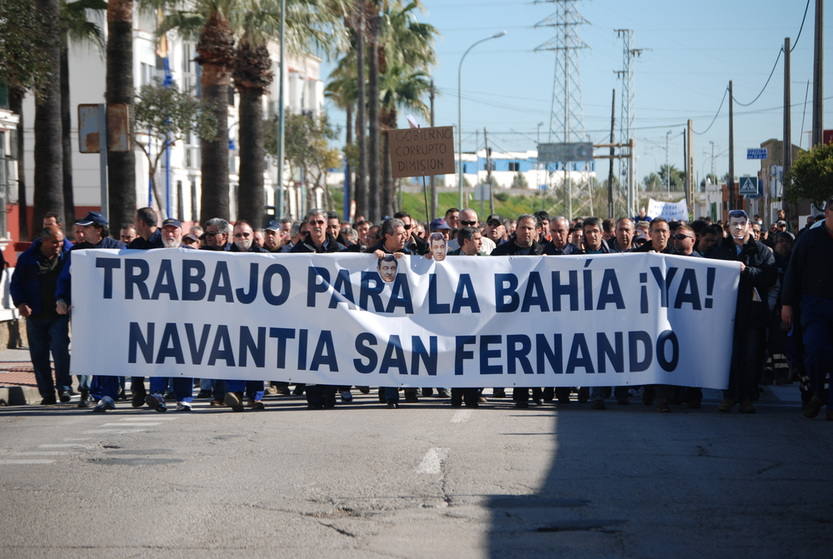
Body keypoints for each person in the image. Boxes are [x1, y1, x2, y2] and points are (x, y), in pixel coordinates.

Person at [55, 212, 126, 412]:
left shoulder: (118, 249)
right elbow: (64, 280)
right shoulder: (77, 251)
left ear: (98, 229)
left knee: (109, 350)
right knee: (91, 350)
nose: (82, 231)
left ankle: (108, 392)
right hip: (86, 313)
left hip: (114, 312)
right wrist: (61, 299)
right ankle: (98, 393)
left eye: (86, 227)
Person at [707, 209, 776, 414]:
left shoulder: (762, 251)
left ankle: (747, 397)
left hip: (752, 314)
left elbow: (769, 277)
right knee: (728, 357)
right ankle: (728, 397)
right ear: (728, 226)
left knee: (751, 356)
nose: (738, 227)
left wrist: (747, 271)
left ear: (748, 225)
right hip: (725, 315)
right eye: (734, 223)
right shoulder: (720, 250)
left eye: (742, 223)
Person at [492, 214, 554, 407]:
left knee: (537, 354)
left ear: (537, 231)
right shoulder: (500, 252)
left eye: (529, 228)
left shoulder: (547, 252)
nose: (525, 232)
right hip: (510, 314)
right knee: (517, 355)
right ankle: (519, 395)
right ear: (515, 229)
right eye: (522, 228)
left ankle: (538, 393)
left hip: (538, 313)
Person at [780, 198, 833, 420]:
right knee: (815, 352)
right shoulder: (810, 238)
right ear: (829, 212)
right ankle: (818, 393)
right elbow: (794, 272)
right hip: (814, 305)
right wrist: (787, 304)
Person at [11, 226, 73, 406]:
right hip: (35, 316)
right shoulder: (27, 259)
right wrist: (21, 303)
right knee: (39, 356)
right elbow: (16, 284)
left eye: (61, 242)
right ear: (43, 241)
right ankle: (47, 393)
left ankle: (65, 388)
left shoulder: (66, 257)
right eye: (54, 242)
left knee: (61, 351)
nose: (58, 246)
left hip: (57, 314)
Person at [293, 209, 346, 408]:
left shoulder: (340, 250)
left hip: (332, 312)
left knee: (331, 352)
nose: (317, 226)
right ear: (307, 226)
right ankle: (313, 397)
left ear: (326, 225)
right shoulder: (297, 252)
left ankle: (330, 394)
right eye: (313, 222)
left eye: (320, 222)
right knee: (310, 353)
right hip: (307, 312)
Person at [143, 219, 196, 412]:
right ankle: (157, 394)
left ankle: (184, 398)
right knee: (159, 355)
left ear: (181, 233)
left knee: (184, 357)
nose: (170, 234)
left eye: (174, 231)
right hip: (159, 316)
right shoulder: (151, 255)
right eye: (166, 231)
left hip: (186, 316)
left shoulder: (193, 255)